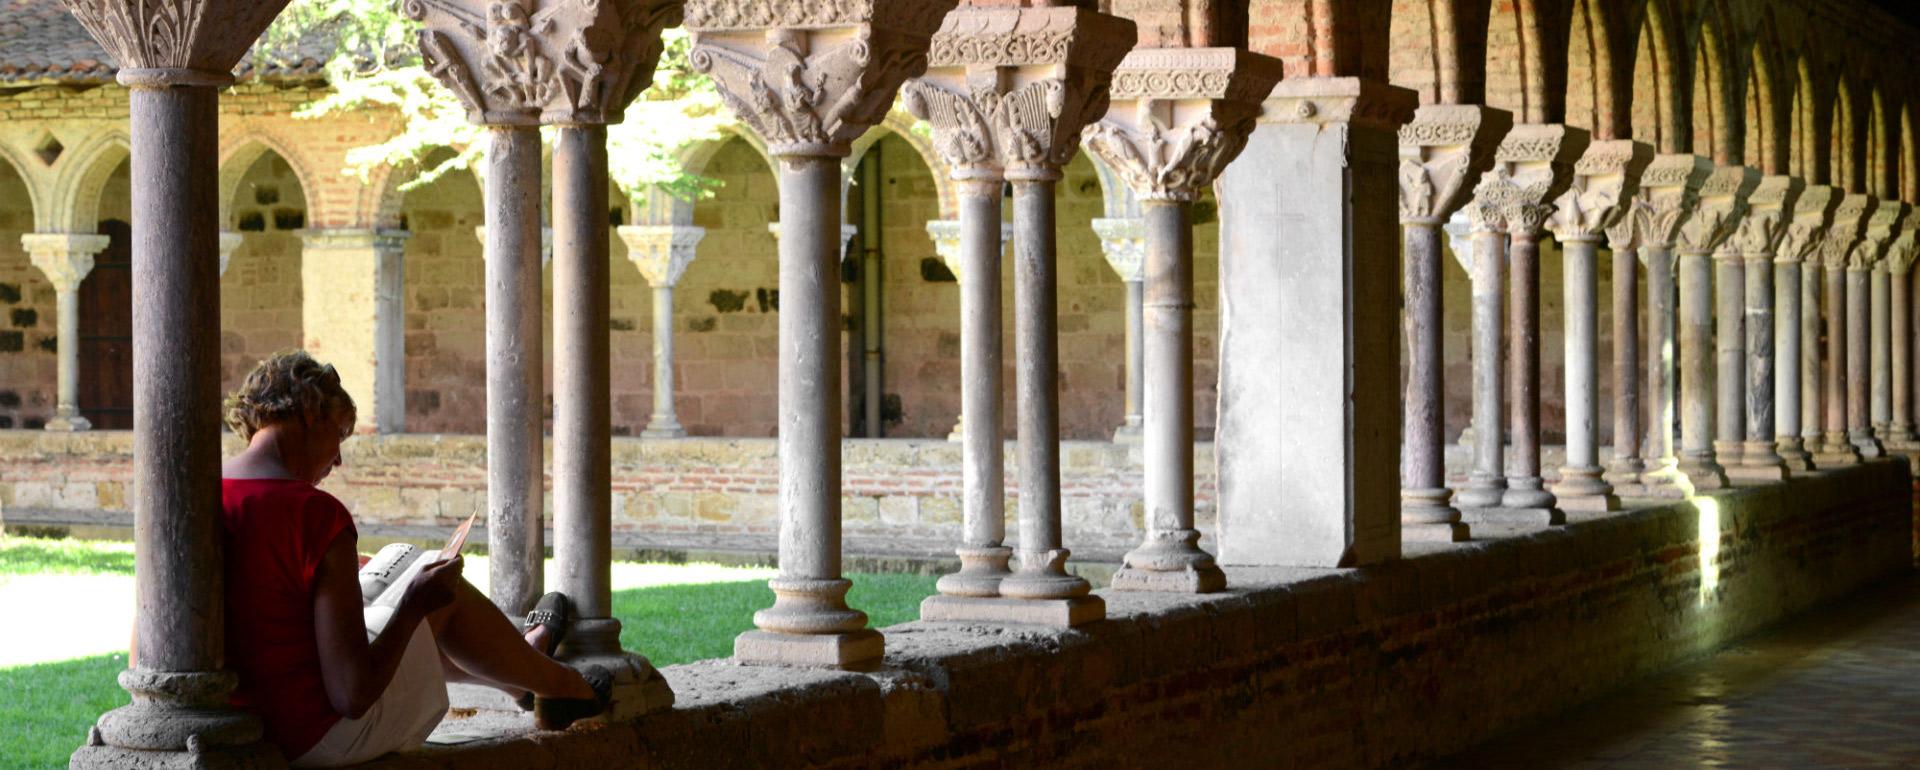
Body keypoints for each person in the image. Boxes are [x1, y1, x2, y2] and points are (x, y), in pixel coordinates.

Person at [216, 351, 608, 766]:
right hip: (319, 736)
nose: (338, 458)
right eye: (341, 432)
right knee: (440, 595)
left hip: (247, 720)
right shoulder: (315, 513)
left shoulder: (210, 492)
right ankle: (565, 687)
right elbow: (352, 694)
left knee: (398, 572)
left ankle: (522, 682)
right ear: (312, 415)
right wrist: (412, 606)